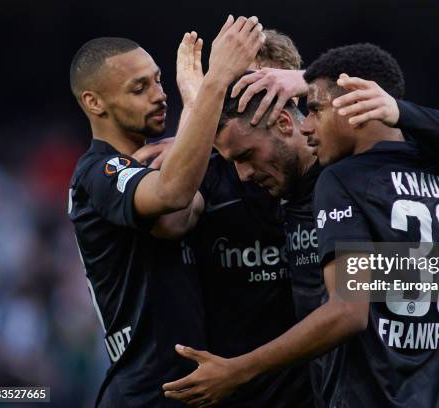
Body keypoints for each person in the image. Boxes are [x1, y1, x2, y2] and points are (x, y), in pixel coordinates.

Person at [162, 44, 439, 407]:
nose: (308, 125)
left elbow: (349, 310)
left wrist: (238, 370)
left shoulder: (339, 179)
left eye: (315, 108)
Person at [67, 16, 264, 407]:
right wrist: (212, 84)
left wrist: (194, 105)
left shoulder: (155, 163)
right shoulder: (98, 173)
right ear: (94, 102)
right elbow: (175, 196)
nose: (159, 95)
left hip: (190, 392)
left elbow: (184, 205)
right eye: (139, 88)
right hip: (144, 394)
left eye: (158, 80)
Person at [133, 29, 315, 408]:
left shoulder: (342, 174)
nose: (244, 103)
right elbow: (170, 218)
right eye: (234, 90)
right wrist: (195, 115)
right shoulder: (209, 172)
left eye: (264, 90)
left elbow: (351, 310)